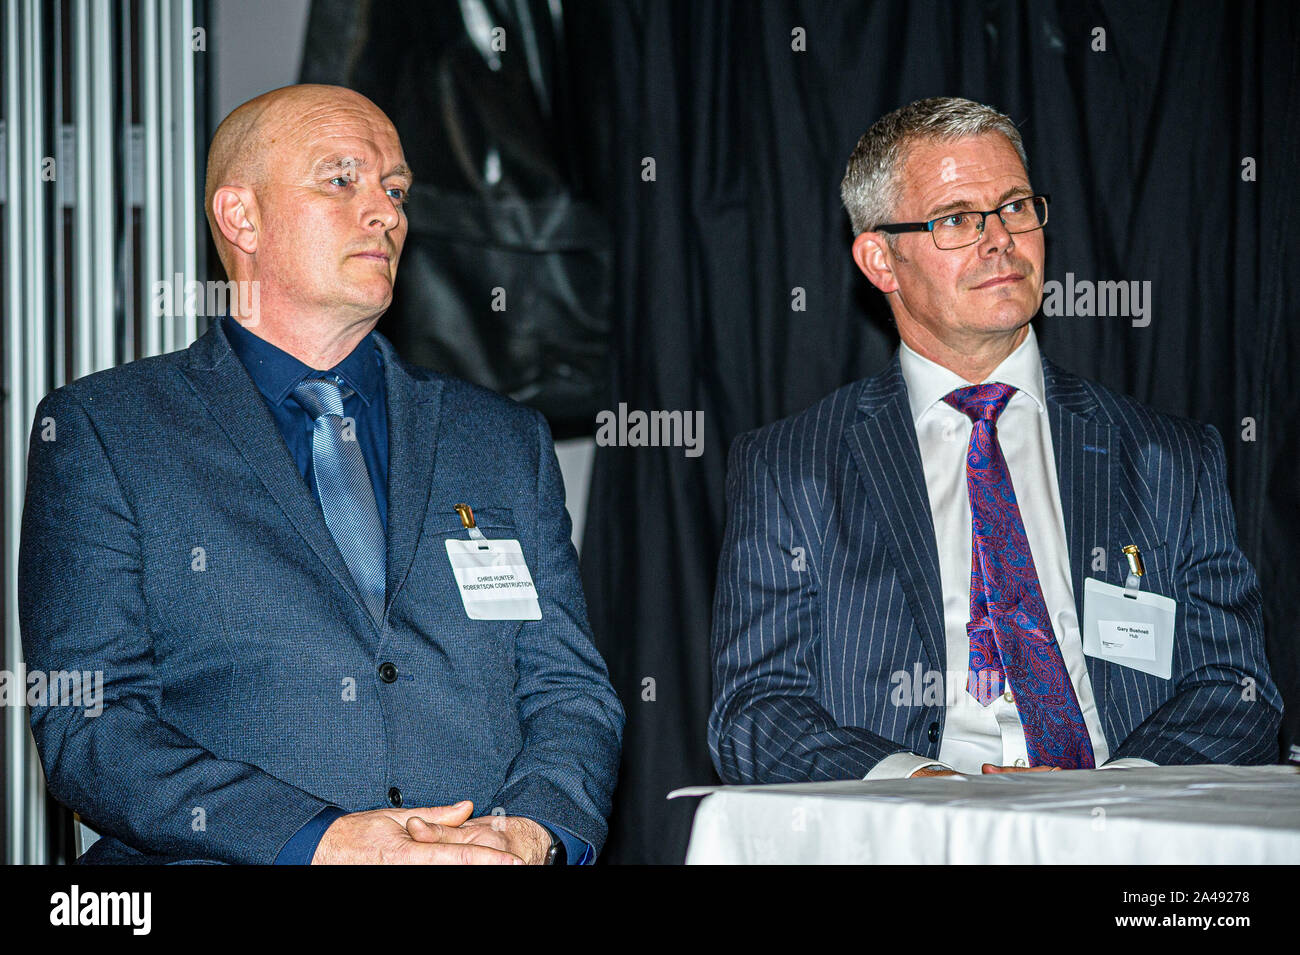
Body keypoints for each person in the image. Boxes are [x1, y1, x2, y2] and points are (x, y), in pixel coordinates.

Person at [19, 84, 623, 863]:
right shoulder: (109, 431)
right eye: (343, 179)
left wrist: (533, 831)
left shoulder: (502, 440)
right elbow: (90, 722)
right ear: (242, 216)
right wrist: (321, 841)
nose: (387, 212)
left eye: (396, 188)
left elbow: (570, 694)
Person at [709, 96, 1280, 783]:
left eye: (1015, 207)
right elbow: (754, 710)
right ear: (880, 260)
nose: (1000, 238)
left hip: (1124, 823)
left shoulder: (1168, 458)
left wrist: (1117, 790)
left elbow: (1234, 687)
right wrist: (919, 788)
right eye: (957, 219)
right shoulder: (791, 468)